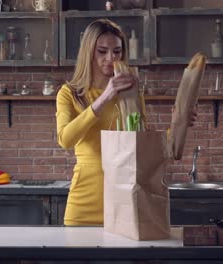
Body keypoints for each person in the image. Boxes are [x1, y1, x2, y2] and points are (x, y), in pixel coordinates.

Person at [56, 19, 197, 226]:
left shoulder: (132, 95)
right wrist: (105, 97)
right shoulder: (69, 94)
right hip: (83, 207)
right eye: (102, 51)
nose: (110, 59)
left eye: (117, 51)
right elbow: (65, 140)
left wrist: (178, 123)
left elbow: (143, 147)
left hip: (125, 204)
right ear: (88, 53)